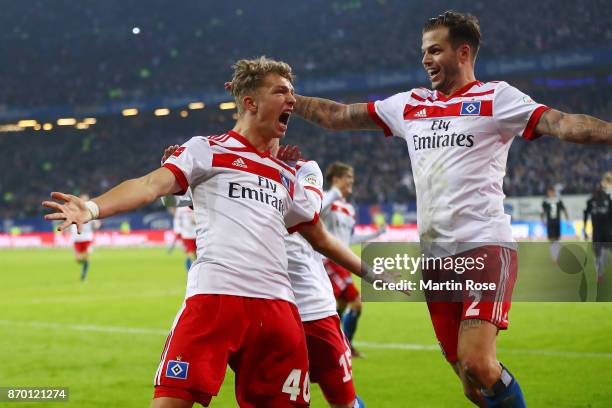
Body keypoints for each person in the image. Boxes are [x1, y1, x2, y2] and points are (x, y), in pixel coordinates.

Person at [290, 10, 612, 407]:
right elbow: (338, 115)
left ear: (463, 53)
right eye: (424, 51)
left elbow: (562, 123)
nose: (425, 59)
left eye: (435, 50)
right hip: (436, 260)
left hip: (484, 247)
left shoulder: (496, 98)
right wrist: (290, 100)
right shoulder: (409, 106)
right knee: (469, 380)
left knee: (478, 362)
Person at [42, 57, 368, 408]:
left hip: (279, 311)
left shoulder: (285, 176)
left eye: (292, 92)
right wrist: (91, 209)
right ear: (250, 103)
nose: (292, 100)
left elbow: (320, 237)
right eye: (281, 91)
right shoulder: (207, 149)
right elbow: (151, 184)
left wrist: (372, 272)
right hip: (217, 298)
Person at [161, 144, 369, 408]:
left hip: (310, 306)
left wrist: (285, 172)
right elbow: (172, 201)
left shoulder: (306, 168)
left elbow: (309, 213)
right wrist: (170, 173)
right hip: (261, 303)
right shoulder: (227, 166)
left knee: (344, 401)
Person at [321, 161, 385, 357]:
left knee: (339, 306)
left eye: (352, 177)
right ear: (336, 179)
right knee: (354, 303)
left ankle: (334, 344)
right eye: (348, 176)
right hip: (328, 260)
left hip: (343, 260)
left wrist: (374, 235)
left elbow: (348, 239)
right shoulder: (324, 199)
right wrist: (335, 192)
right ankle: (343, 346)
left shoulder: (349, 209)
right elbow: (315, 211)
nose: (352, 181)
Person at [584, 181, 612, 284]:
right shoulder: (590, 202)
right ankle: (599, 274)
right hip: (597, 232)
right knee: (598, 254)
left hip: (606, 231)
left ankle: (600, 272)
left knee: (602, 253)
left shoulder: (608, 200)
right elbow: (586, 215)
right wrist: (585, 230)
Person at [68, 193, 100, 281]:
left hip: (87, 238)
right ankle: (85, 264)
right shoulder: (74, 210)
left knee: (85, 257)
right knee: (78, 259)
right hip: (76, 238)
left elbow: (97, 224)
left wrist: (95, 225)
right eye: (83, 199)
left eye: (86, 199)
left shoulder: (91, 211)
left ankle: (84, 275)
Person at [541, 186, 568, 261]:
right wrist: (542, 220)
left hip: (556, 223)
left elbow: (564, 209)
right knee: (552, 240)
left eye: (551, 192)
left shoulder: (551, 201)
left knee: (556, 239)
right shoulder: (548, 201)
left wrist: (567, 219)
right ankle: (555, 256)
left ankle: (556, 256)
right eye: (549, 192)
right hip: (550, 223)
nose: (550, 193)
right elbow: (542, 212)